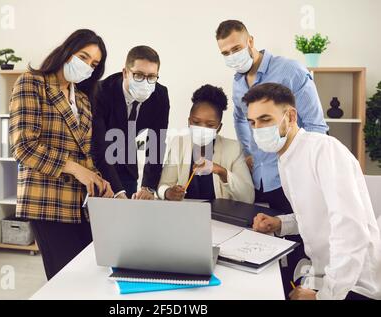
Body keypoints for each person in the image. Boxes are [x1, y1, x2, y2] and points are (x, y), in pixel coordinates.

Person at [244, 82, 381, 300]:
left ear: (290, 116)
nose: (258, 129)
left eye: (265, 119)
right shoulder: (286, 158)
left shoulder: (324, 150)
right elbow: (313, 215)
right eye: (252, 122)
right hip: (324, 273)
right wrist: (280, 223)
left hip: (354, 284)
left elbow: (351, 230)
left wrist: (323, 297)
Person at [9, 29, 113, 280]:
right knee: (66, 283)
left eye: (94, 63)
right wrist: (78, 170)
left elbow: (84, 155)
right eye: (83, 56)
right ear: (67, 52)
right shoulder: (31, 83)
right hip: (46, 201)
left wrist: (99, 180)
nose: (87, 66)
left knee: (92, 277)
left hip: (81, 206)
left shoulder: (84, 100)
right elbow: (24, 146)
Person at [215, 19, 328, 212]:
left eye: (236, 49)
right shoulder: (238, 83)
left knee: (298, 237)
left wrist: (302, 168)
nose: (232, 56)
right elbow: (240, 118)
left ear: (250, 41)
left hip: (293, 178)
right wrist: (248, 153)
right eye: (225, 53)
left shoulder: (290, 71)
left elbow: (315, 126)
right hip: (259, 178)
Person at [92, 45, 170, 199]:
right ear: (125, 73)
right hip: (96, 166)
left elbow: (156, 143)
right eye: (138, 75)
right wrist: (117, 192)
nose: (145, 82)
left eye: (152, 77)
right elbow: (98, 146)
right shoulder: (101, 92)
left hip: (126, 165)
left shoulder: (160, 95)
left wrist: (148, 187)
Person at [158, 85, 254, 203]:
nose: (202, 128)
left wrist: (221, 172)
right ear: (189, 121)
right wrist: (168, 192)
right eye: (196, 122)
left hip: (220, 217)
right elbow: (163, 186)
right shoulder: (178, 144)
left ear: (219, 127)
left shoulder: (233, 148)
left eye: (210, 125)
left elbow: (248, 197)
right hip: (186, 213)